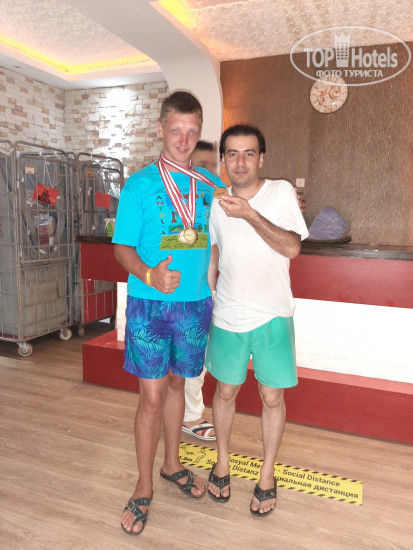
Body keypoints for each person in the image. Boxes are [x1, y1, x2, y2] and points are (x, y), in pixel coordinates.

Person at [113, 91, 224, 536]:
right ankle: (143, 485)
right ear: (161, 129)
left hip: (194, 306)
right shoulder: (139, 185)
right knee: (152, 398)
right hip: (150, 306)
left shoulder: (209, 185)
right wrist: (148, 273)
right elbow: (121, 247)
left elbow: (223, 233)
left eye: (192, 132)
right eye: (176, 130)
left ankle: (171, 464)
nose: (183, 139)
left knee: (179, 384)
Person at [205, 124, 309, 516]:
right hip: (228, 313)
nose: (240, 162)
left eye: (249, 153)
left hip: (273, 314)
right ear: (223, 160)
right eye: (232, 153)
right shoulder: (216, 202)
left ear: (261, 158)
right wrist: (209, 289)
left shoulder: (280, 192)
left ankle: (267, 474)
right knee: (225, 391)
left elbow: (292, 247)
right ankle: (222, 462)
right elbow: (215, 249)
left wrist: (249, 214)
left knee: (272, 396)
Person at [182, 140, 219, 442]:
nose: (209, 171)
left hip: (210, 291)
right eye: (202, 165)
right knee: (192, 359)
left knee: (200, 358)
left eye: (213, 165)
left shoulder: (216, 195)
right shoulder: (182, 199)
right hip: (184, 294)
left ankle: (185, 412)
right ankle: (190, 416)